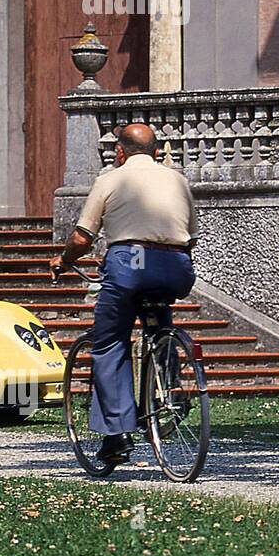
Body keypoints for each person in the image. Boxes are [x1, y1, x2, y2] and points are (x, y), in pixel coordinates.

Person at [50, 122, 197, 464]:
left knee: (109, 343)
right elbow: (191, 237)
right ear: (157, 152)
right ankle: (169, 389)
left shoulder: (110, 180)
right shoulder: (178, 180)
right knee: (159, 323)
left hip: (130, 262)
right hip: (176, 266)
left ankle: (116, 435)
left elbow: (83, 238)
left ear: (119, 152)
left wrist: (63, 259)